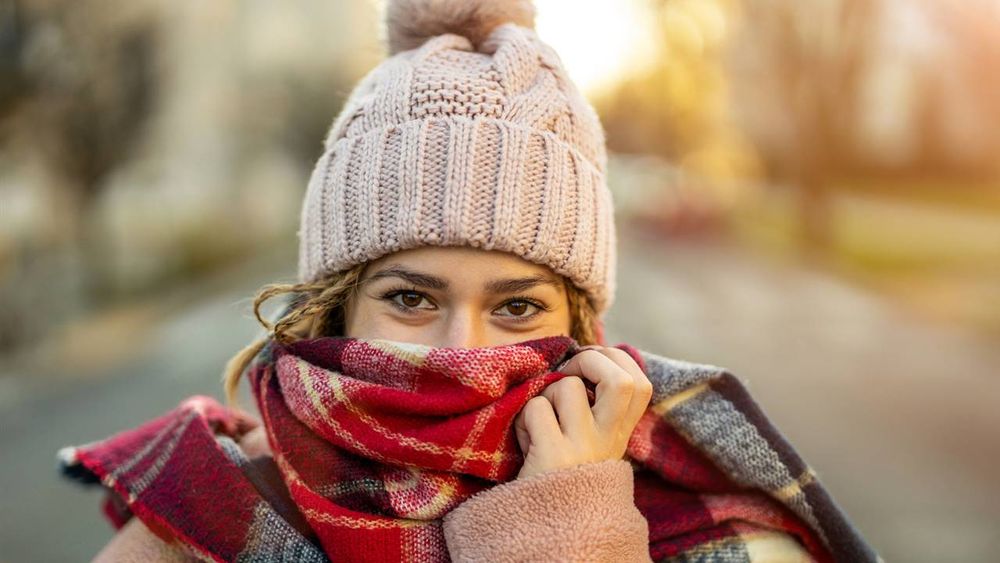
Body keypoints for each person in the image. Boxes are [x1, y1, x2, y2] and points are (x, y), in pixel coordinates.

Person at [67, 1, 877, 561]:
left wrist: (567, 525)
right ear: (338, 306)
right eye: (411, 298)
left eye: (517, 305)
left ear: (581, 329)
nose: (464, 351)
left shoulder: (711, 528)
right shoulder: (204, 519)